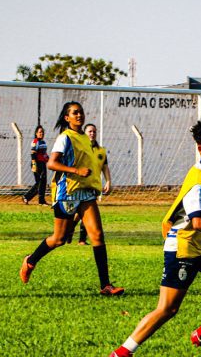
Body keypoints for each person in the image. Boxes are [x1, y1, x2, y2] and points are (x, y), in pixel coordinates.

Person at [108, 116, 201, 357]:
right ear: (200, 148)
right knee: (168, 308)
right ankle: (122, 352)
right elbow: (197, 221)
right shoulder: (197, 180)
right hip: (183, 248)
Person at [19, 102, 124, 296]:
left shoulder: (85, 138)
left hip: (85, 194)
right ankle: (31, 260)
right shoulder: (64, 138)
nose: (79, 115)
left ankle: (106, 285)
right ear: (67, 118)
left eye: (81, 112)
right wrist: (76, 171)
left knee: (98, 236)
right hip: (67, 193)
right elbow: (51, 163)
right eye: (75, 113)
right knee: (59, 239)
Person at [75, 123, 112, 245]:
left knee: (86, 213)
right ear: (85, 133)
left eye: (94, 131)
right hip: (79, 185)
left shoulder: (101, 151)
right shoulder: (80, 148)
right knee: (78, 213)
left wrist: (108, 181)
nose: (92, 133)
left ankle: (81, 239)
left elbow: (105, 167)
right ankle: (69, 231)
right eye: (90, 131)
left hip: (92, 186)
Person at [22, 125, 49, 205]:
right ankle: (40, 200)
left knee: (42, 182)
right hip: (37, 163)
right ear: (36, 133)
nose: (41, 133)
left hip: (42, 164)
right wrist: (34, 164)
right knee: (40, 182)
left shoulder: (43, 142)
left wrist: (48, 160)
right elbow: (33, 153)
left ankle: (27, 197)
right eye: (40, 132)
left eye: (42, 132)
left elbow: (44, 154)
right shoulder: (35, 141)